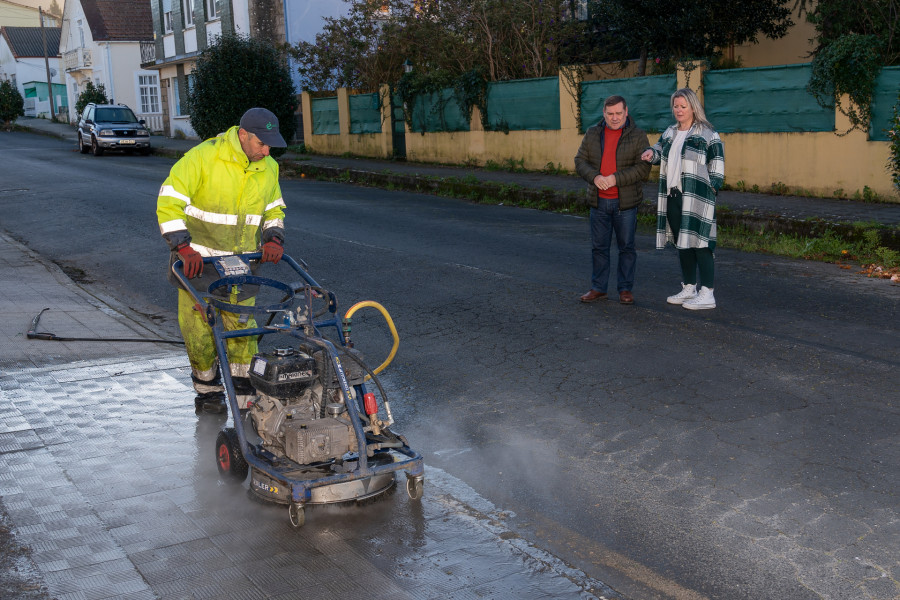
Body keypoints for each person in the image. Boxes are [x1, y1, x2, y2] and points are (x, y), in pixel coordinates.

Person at [156, 107, 288, 413]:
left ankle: (245, 400)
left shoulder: (268, 167)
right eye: (261, 143)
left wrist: (273, 237)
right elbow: (169, 200)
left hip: (243, 267)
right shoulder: (202, 158)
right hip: (198, 267)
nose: (267, 150)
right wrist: (182, 247)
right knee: (200, 333)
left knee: (245, 333)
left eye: (270, 145)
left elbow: (274, 209)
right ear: (243, 135)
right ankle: (209, 392)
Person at [641, 88, 724, 310]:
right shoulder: (670, 132)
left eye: (683, 106)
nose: (678, 110)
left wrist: (712, 190)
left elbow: (717, 165)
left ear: (692, 107)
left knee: (701, 243)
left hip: (698, 196)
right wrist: (651, 153)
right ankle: (689, 288)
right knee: (682, 244)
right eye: (676, 106)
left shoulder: (708, 133)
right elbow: (659, 149)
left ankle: (708, 293)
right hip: (673, 195)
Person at [575, 95, 651, 305]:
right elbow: (580, 161)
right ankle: (598, 288)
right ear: (604, 114)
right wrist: (596, 177)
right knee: (599, 248)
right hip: (598, 202)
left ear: (626, 112)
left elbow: (643, 169)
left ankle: (625, 289)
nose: (615, 118)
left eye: (619, 113)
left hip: (625, 204)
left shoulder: (637, 135)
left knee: (626, 247)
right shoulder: (592, 133)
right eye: (610, 114)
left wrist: (614, 179)